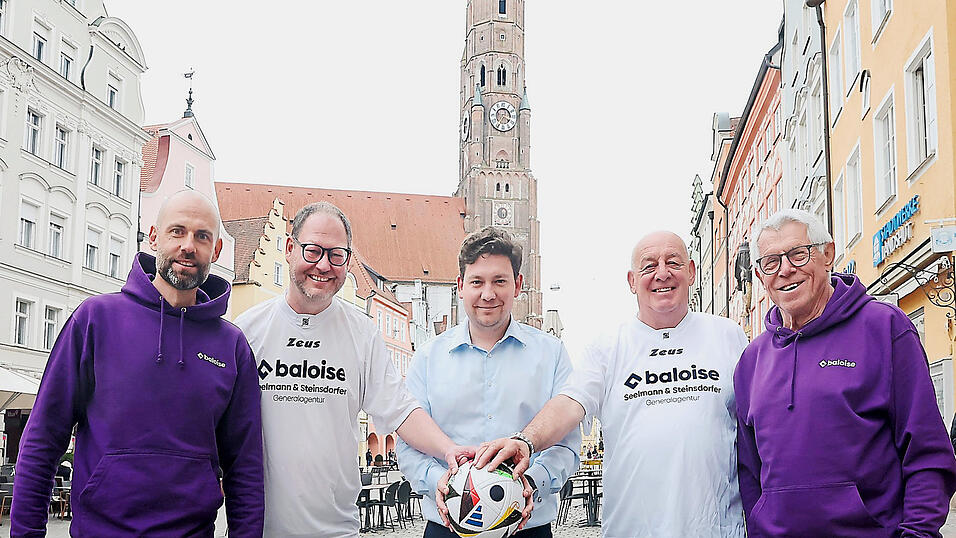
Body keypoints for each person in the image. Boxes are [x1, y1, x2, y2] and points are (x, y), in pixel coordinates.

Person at [12, 190, 264, 536]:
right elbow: (43, 438)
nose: (188, 246)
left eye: (202, 236)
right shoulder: (96, 320)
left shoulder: (231, 346)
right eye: (177, 231)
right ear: (154, 237)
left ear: (216, 250)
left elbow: (245, 467)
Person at [476, 231, 748, 537]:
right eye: (649, 266)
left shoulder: (728, 336)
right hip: (633, 529)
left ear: (692, 271)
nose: (662, 273)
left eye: (673, 262)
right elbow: (570, 403)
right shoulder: (608, 346)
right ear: (632, 281)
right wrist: (526, 441)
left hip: (715, 528)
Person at [234, 202, 472, 537]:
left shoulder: (361, 333)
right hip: (257, 529)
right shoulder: (247, 330)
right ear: (289, 249)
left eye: (336, 255)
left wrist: (449, 450)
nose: (323, 265)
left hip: (335, 528)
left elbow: (401, 409)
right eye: (313, 250)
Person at [734, 209, 956, 536]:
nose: (785, 269)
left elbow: (927, 450)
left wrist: (918, 533)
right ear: (759, 274)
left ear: (827, 254)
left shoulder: (884, 328)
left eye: (798, 254)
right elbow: (750, 471)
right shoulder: (751, 360)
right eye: (771, 262)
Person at [398, 226, 580, 538]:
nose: (488, 294)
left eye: (499, 281)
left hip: (527, 527)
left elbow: (567, 443)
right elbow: (407, 443)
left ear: (518, 285)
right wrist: (438, 482)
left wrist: (530, 483)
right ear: (460, 286)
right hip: (448, 527)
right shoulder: (428, 358)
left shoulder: (552, 354)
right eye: (477, 282)